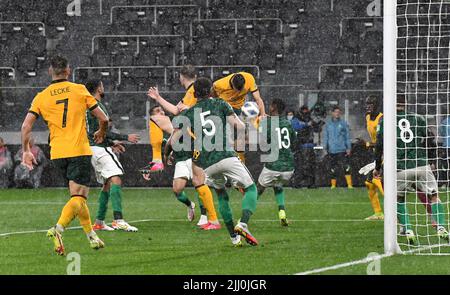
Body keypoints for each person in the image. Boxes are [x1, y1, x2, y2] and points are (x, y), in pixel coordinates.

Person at [21, 54, 109, 256]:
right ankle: (57, 229)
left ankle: (91, 237)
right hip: (78, 150)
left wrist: (26, 151)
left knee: (79, 198)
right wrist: (102, 132)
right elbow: (104, 118)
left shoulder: (41, 96)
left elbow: (26, 125)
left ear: (50, 71)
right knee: (79, 197)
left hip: (58, 153)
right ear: (68, 71)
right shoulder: (79, 90)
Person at [171, 77, 259, 246]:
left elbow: (174, 139)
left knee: (221, 195)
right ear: (211, 89)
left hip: (208, 165)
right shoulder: (220, 104)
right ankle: (243, 224)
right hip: (226, 155)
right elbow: (239, 127)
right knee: (251, 188)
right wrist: (243, 139)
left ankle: (234, 238)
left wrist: (167, 153)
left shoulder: (190, 112)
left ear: (195, 93)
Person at [147, 65, 216, 228]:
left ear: (181, 77)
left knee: (201, 181)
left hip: (197, 140)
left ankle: (206, 216)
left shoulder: (194, 90)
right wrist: (158, 98)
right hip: (191, 140)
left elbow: (188, 111)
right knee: (181, 188)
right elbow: (177, 110)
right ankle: (197, 209)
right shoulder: (191, 92)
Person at [373, 94, 449, 244]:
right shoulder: (418, 118)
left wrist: (377, 166)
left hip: (400, 167)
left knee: (399, 198)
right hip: (420, 164)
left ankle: (407, 230)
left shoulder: (385, 120)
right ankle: (441, 227)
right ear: (405, 103)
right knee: (433, 196)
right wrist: (432, 160)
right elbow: (430, 139)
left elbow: (379, 145)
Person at [85, 79, 140, 232]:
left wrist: (111, 143)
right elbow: (102, 132)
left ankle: (99, 221)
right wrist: (125, 137)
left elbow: (95, 132)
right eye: (102, 86)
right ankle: (118, 219)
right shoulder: (96, 106)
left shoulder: (87, 105)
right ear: (98, 88)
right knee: (116, 178)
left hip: (92, 148)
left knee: (107, 184)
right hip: (98, 148)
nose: (104, 88)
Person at [211, 72, 266, 162]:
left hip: (238, 108)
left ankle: (239, 159)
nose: (239, 93)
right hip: (224, 108)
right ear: (232, 84)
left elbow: (258, 99)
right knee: (223, 134)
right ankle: (221, 158)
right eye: (237, 90)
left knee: (240, 134)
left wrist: (262, 114)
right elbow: (212, 93)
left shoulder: (249, 78)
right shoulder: (220, 84)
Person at [257, 99, 295, 226]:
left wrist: (261, 125)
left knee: (257, 190)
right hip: (289, 168)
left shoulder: (267, 123)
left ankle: (242, 221)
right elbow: (294, 141)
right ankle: (282, 215)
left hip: (273, 165)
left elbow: (263, 143)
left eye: (270, 105)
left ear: (273, 108)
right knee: (278, 186)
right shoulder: (287, 123)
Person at [360, 96, 385, 220]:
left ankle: (395, 211)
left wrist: (368, 144)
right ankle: (378, 213)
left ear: (377, 105)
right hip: (377, 153)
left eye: (371, 104)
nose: (368, 106)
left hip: (386, 153)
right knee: (369, 184)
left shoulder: (382, 118)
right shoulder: (368, 117)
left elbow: (384, 141)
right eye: (367, 103)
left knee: (377, 181)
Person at [323, 106, 353, 189]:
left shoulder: (343, 124)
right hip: (332, 150)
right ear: (332, 113)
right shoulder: (328, 124)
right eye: (336, 112)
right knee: (332, 168)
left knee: (346, 166)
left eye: (338, 112)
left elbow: (347, 136)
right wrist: (325, 147)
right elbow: (326, 136)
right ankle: (333, 185)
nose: (337, 114)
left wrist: (348, 147)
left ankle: (349, 185)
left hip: (342, 149)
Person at [290, 106, 317, 188]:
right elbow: (295, 127)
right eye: (304, 111)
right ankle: (297, 183)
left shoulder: (309, 119)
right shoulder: (297, 119)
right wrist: (306, 125)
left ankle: (311, 183)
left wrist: (314, 124)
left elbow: (316, 129)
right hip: (301, 146)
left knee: (310, 165)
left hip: (309, 145)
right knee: (300, 165)